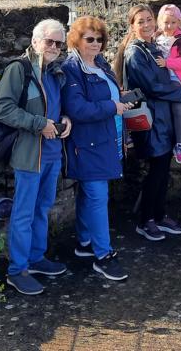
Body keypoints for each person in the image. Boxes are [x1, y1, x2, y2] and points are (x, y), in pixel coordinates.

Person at [0, 18, 73, 295]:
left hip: (51, 152)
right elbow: (2, 108)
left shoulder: (54, 72)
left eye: (58, 43)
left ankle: (36, 258)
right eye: (49, 41)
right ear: (35, 41)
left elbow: (58, 107)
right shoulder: (20, 70)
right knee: (24, 212)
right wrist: (39, 123)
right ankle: (17, 270)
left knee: (43, 207)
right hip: (30, 154)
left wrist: (65, 119)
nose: (53, 47)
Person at [61, 16, 131, 281]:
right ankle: (103, 255)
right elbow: (76, 109)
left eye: (99, 39)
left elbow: (108, 96)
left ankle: (84, 242)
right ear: (76, 40)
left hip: (107, 137)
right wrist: (113, 106)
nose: (95, 43)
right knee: (97, 196)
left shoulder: (100, 64)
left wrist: (121, 98)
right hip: (88, 142)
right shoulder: (72, 69)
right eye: (89, 38)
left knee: (88, 194)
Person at [114, 4, 181, 241]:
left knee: (162, 170)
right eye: (141, 22)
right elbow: (150, 87)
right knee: (156, 171)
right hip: (151, 120)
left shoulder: (151, 46)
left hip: (161, 118)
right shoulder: (135, 52)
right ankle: (146, 220)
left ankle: (159, 214)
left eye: (149, 20)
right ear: (132, 26)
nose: (147, 25)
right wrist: (179, 93)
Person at [155, 4, 181, 165]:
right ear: (159, 22)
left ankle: (180, 145)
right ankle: (164, 142)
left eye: (173, 22)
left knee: (178, 110)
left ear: (179, 23)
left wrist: (167, 63)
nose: (169, 26)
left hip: (176, 80)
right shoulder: (155, 37)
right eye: (166, 22)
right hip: (160, 80)